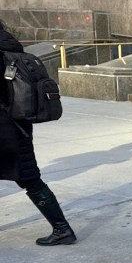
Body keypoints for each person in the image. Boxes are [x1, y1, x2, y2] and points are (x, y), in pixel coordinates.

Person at [0, 19, 77, 245]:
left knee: (30, 179)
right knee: (30, 178)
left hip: (4, 127)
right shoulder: (10, 46)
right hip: (17, 125)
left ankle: (62, 229)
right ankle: (62, 229)